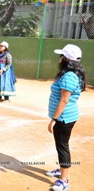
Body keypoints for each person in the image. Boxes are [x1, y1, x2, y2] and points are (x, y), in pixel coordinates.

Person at [46, 44, 86, 191]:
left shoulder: (69, 76)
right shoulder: (69, 74)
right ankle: (61, 170)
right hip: (66, 117)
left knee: (62, 147)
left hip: (64, 118)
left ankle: (64, 179)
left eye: (61, 56)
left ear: (66, 59)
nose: (59, 58)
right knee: (61, 145)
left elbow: (64, 100)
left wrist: (53, 120)